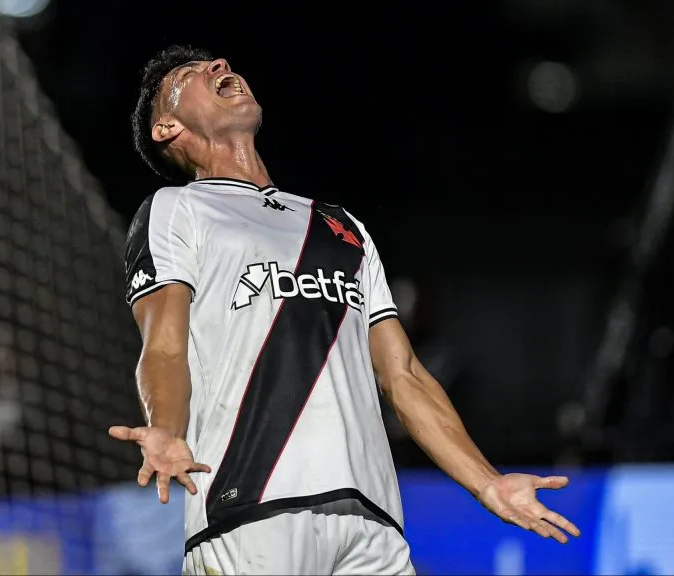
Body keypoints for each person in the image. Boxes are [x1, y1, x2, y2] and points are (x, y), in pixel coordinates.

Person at [109, 45, 580, 575]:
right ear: (166, 128)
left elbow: (403, 377)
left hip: (373, 524)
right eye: (192, 74)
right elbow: (165, 342)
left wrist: (487, 480)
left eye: (217, 62)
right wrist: (167, 429)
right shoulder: (177, 209)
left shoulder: (342, 227)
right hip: (253, 512)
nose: (218, 66)